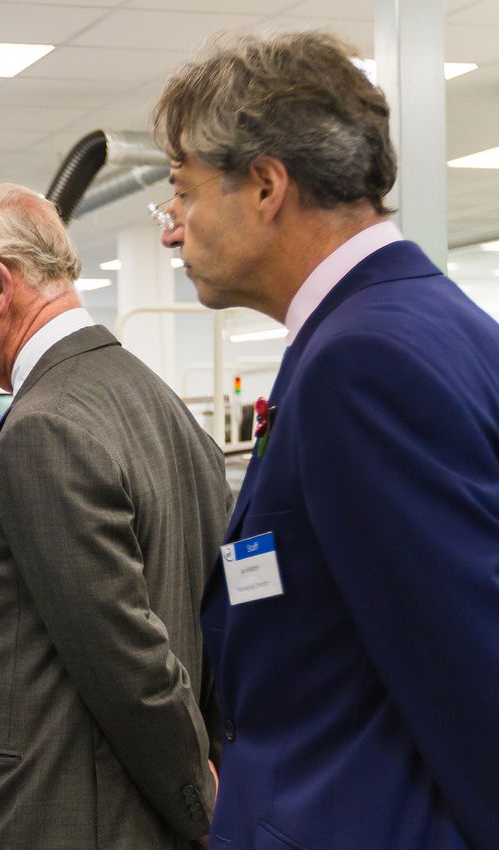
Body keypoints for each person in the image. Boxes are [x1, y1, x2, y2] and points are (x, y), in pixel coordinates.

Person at [152, 31, 499, 850]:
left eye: (184, 194)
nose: (173, 231)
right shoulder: (424, 320)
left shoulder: (362, 361)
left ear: (267, 185)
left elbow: (470, 669)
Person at [0, 182, 229, 849]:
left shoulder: (44, 429)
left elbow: (128, 664)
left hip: (53, 816)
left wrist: (200, 805)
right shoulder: (159, 402)